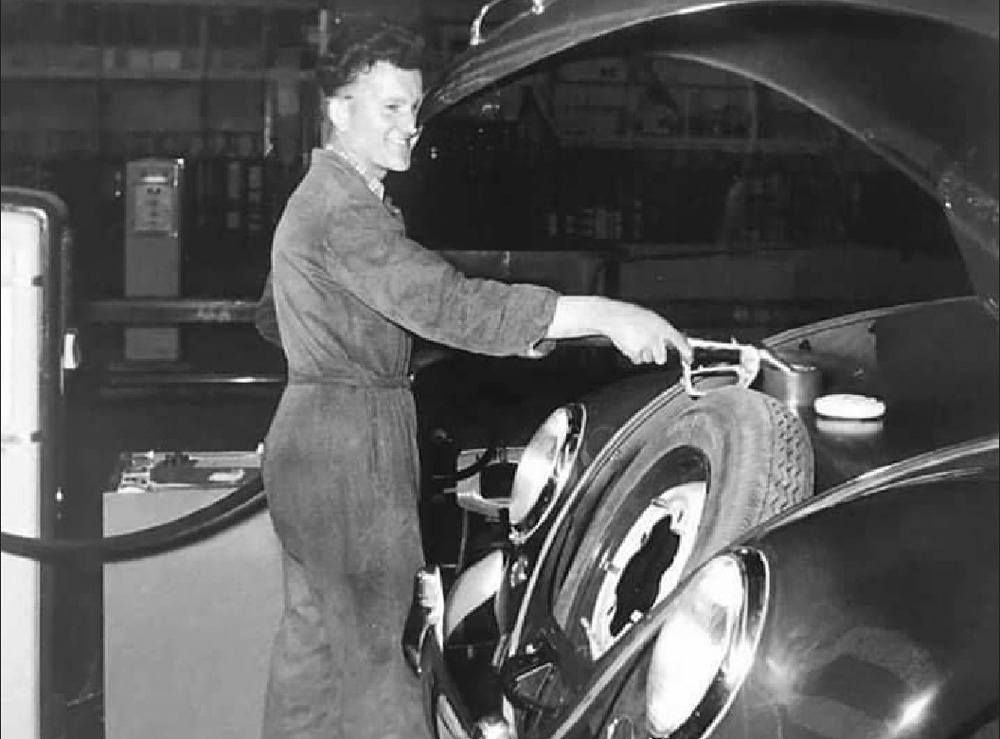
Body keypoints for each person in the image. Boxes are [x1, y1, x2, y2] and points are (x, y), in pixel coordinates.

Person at [254, 17, 691, 739]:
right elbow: (447, 302)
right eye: (390, 108)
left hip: (309, 436)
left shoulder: (325, 199)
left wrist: (367, 360)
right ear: (339, 109)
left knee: (315, 652)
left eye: (414, 108)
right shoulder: (343, 214)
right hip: (349, 452)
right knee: (380, 658)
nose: (410, 126)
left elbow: (281, 316)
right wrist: (603, 314)